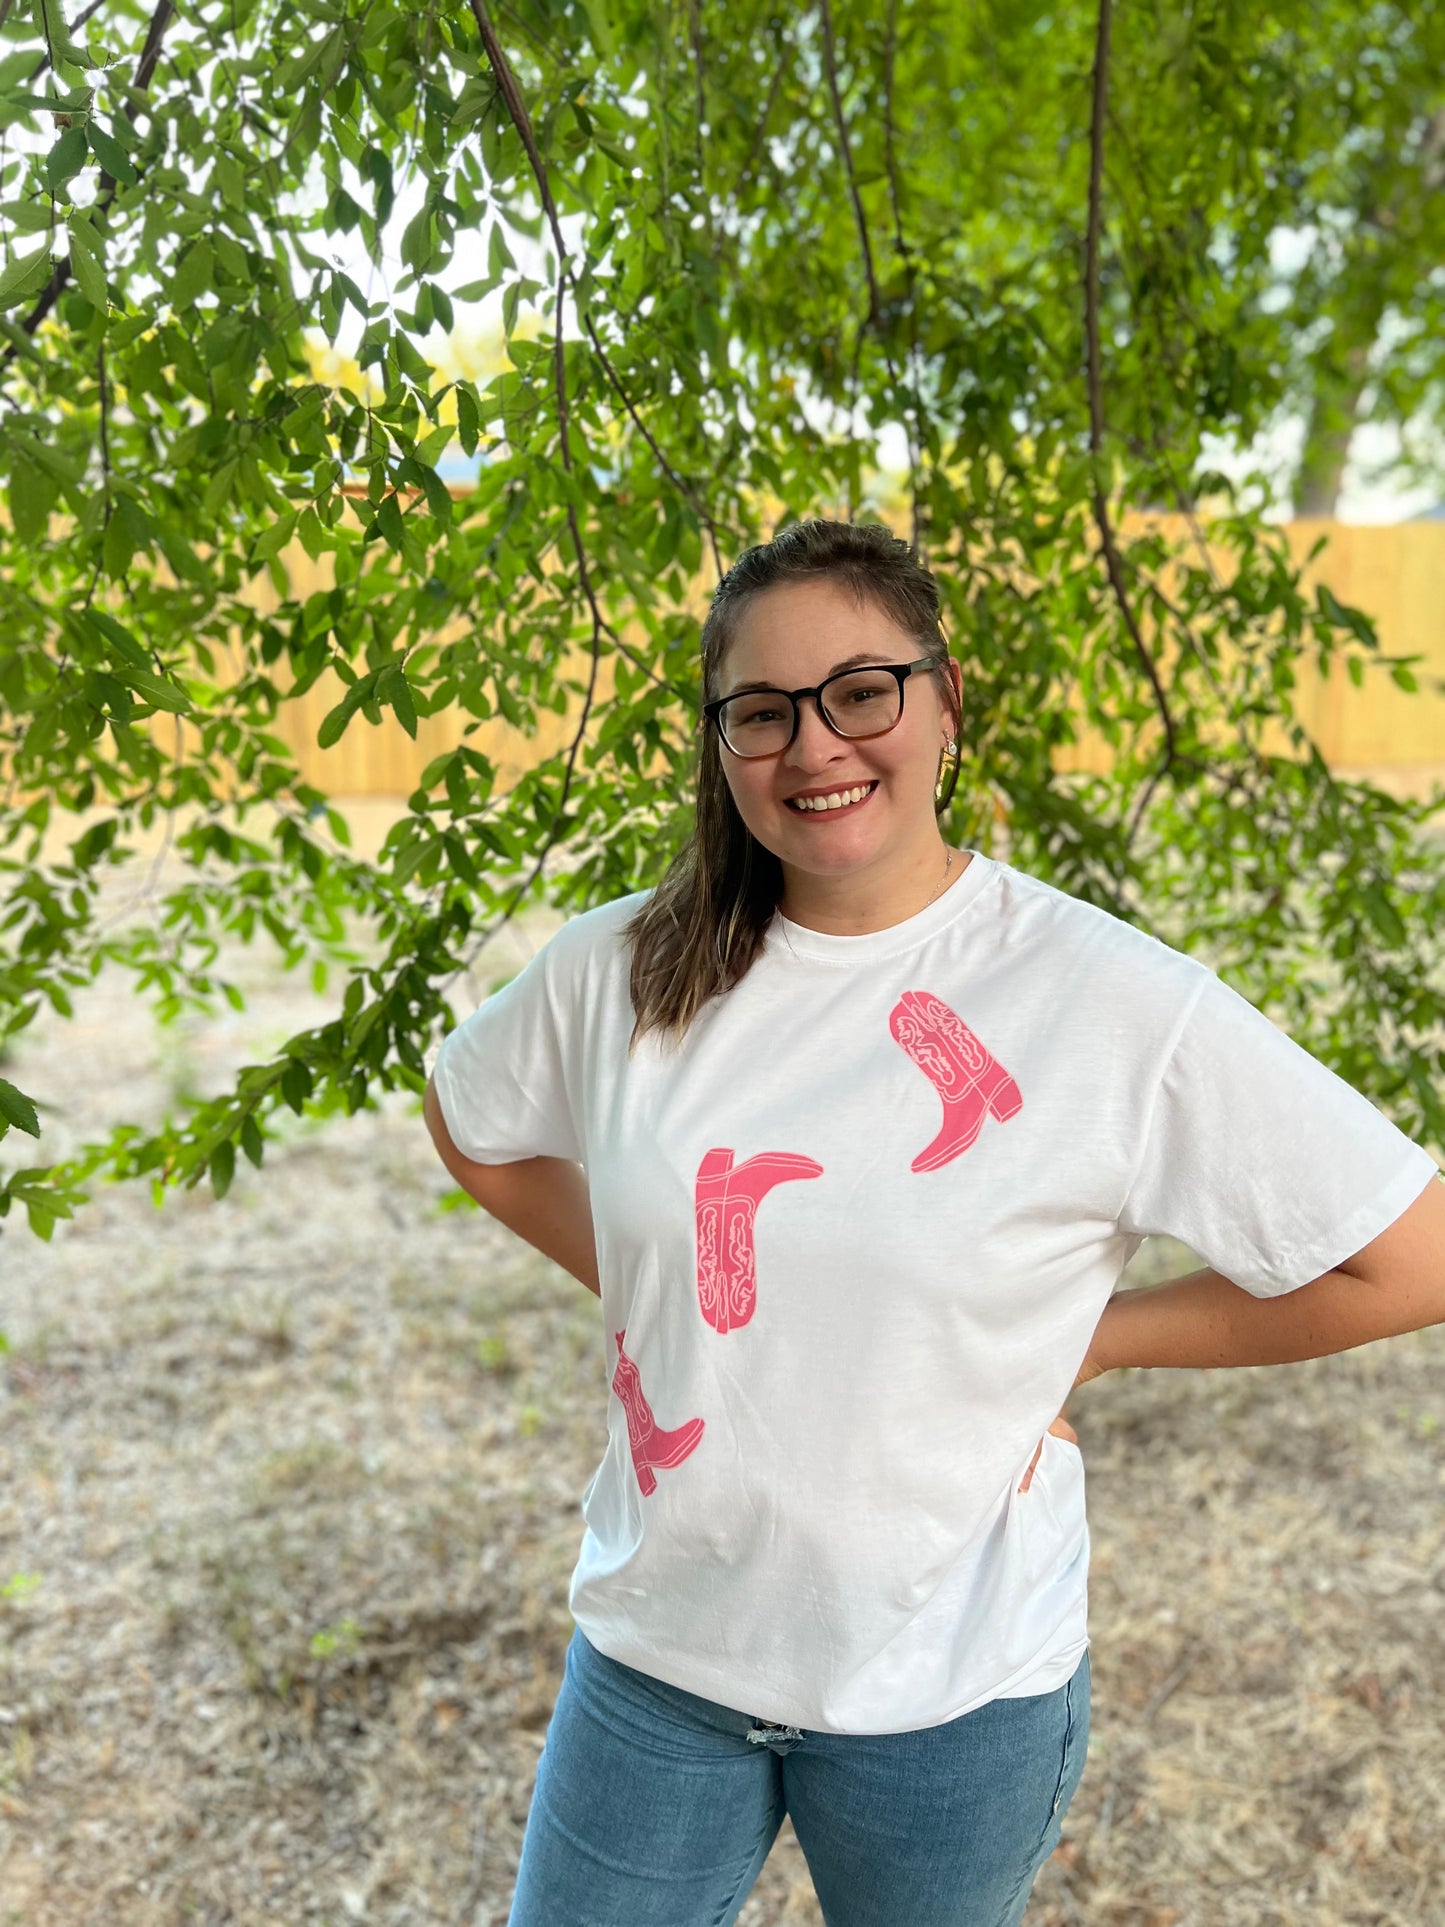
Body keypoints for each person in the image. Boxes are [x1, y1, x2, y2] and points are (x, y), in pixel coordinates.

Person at [423, 518, 1444, 1927]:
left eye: (861, 690)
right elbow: (472, 1124)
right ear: (717, 746)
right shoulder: (622, 966)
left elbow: (1413, 1254)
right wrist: (656, 1283)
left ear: (943, 703)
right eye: (760, 712)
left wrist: (1095, 1340)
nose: (814, 747)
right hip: (659, 1658)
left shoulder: (1103, 1000)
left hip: (946, 1693)